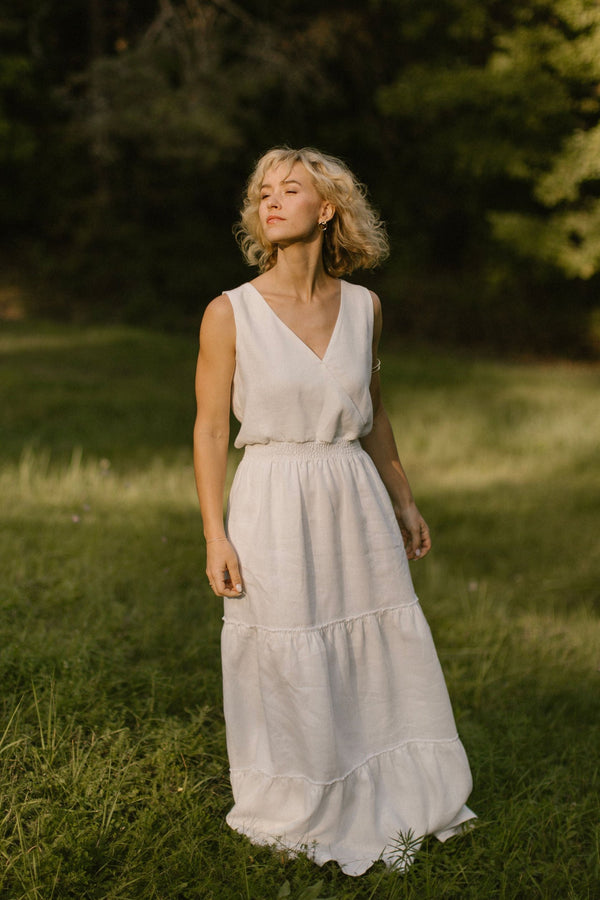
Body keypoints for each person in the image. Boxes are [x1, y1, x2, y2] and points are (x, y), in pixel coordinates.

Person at [193, 147, 475, 876]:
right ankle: (305, 792)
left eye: (291, 189)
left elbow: (374, 413)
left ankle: (386, 779)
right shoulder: (230, 313)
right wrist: (214, 532)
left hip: (352, 497)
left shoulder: (364, 307)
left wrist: (403, 499)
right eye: (263, 192)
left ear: (328, 210)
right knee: (290, 646)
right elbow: (209, 429)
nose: (272, 201)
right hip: (272, 499)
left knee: (372, 643)